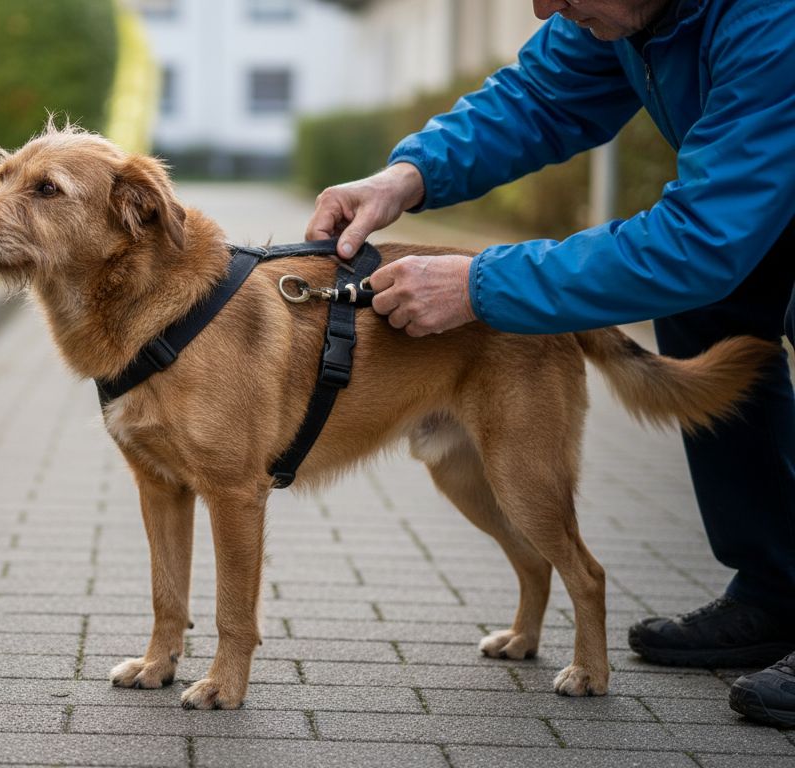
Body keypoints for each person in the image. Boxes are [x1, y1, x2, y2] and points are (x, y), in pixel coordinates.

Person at [305, 0, 795, 725]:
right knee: (701, 306)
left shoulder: (774, 21)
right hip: (762, 190)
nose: (542, 7)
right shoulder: (635, 14)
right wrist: (404, 177)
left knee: (696, 272)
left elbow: (701, 239)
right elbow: (537, 97)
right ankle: (775, 590)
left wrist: (481, 286)